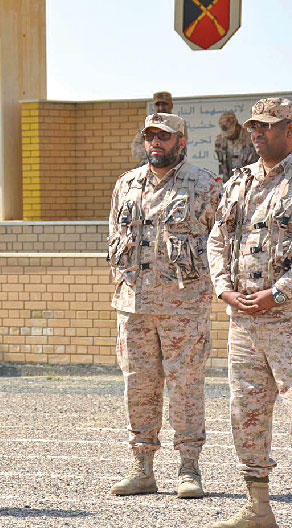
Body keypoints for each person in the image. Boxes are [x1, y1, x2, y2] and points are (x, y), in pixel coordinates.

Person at [208, 98, 292, 528]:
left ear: (290, 129)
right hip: (245, 321)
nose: (257, 134)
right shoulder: (240, 181)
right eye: (253, 127)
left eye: (267, 126)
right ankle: (258, 509)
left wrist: (279, 293)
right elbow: (217, 239)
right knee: (246, 410)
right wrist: (224, 289)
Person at [107, 113, 221, 499]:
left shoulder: (205, 185)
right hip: (134, 305)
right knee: (138, 385)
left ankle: (189, 467)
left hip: (183, 306)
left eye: (164, 136)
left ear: (181, 141)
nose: (155, 143)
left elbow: (223, 241)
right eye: (150, 136)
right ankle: (142, 468)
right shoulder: (126, 184)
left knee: (186, 385)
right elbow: (115, 235)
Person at [131, 92, 175, 167]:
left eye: (164, 104)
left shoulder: (177, 125)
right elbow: (135, 147)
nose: (161, 108)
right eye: (158, 105)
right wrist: (152, 153)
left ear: (171, 105)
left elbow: (179, 148)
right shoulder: (147, 125)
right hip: (149, 164)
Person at [214, 110, 257, 178]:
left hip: (251, 178)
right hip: (230, 179)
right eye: (226, 134)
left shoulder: (252, 137)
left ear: (237, 125)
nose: (228, 136)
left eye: (230, 132)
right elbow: (222, 164)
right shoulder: (219, 141)